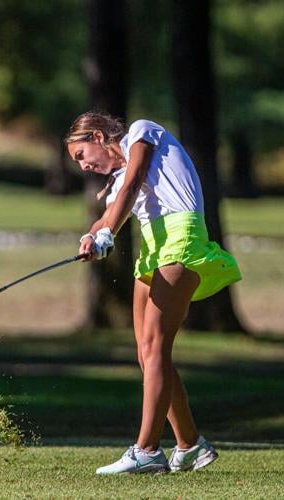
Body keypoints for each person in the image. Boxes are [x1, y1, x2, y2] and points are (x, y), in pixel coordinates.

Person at [65, 111, 242, 474]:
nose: (82, 166)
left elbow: (134, 183)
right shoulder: (116, 182)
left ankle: (147, 449)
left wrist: (107, 234)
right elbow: (112, 209)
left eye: (81, 155)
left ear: (97, 137)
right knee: (147, 354)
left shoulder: (142, 132)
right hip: (153, 248)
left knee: (157, 345)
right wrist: (92, 234)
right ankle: (190, 445)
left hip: (181, 237)